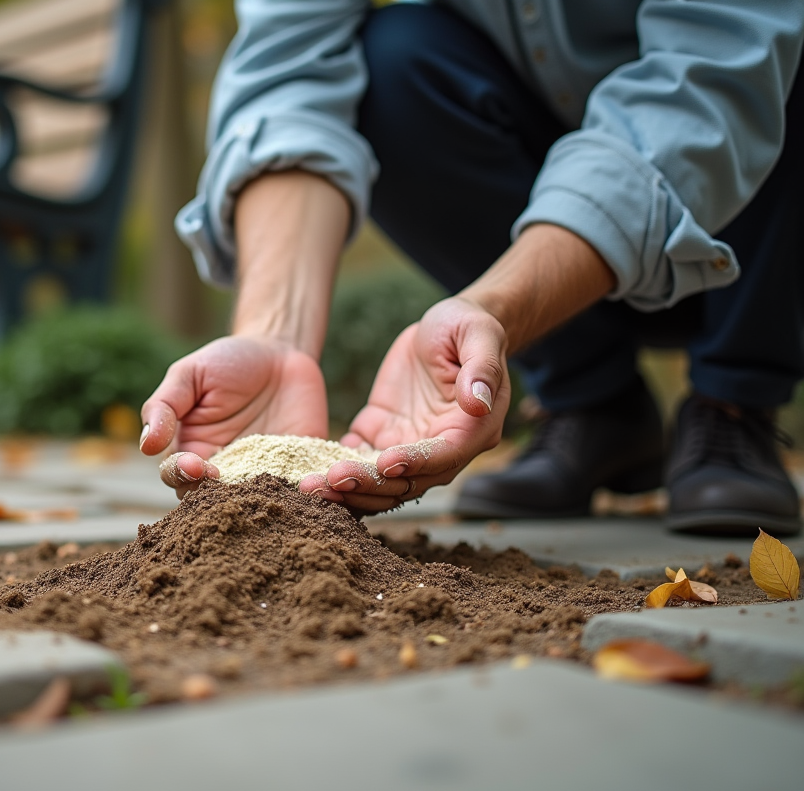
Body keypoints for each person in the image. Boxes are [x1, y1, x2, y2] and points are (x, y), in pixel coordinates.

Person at [139, 0, 804, 536]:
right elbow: (289, 80)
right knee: (393, 58)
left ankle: (735, 400)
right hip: (550, 213)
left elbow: (711, 82)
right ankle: (592, 400)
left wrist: (498, 305)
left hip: (744, 224)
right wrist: (274, 335)